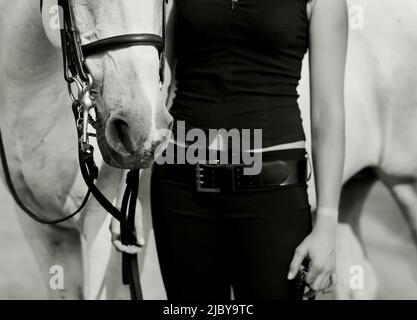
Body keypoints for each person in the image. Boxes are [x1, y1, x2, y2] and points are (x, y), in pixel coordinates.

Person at [117, 0, 348, 300]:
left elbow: (327, 113)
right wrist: (128, 187)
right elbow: (159, 86)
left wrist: (328, 221)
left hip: (273, 196)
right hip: (180, 191)